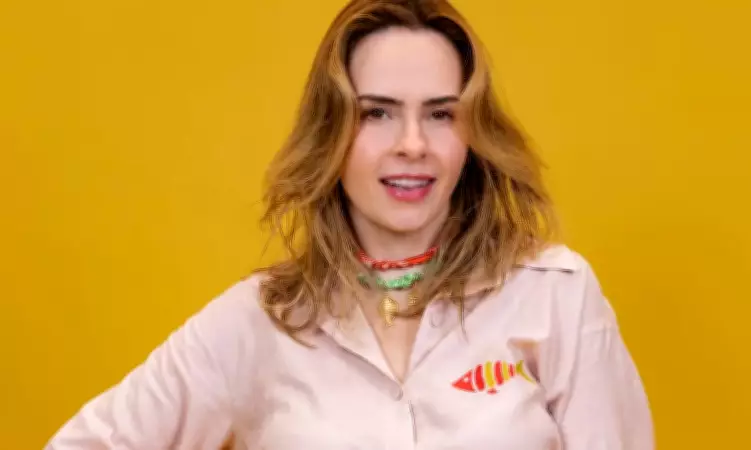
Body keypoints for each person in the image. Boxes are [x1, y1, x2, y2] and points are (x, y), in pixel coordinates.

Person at [47, 0, 654, 448]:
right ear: (331, 133)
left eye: (441, 114)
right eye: (377, 114)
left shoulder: (556, 294)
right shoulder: (257, 322)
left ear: (472, 136)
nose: (412, 144)